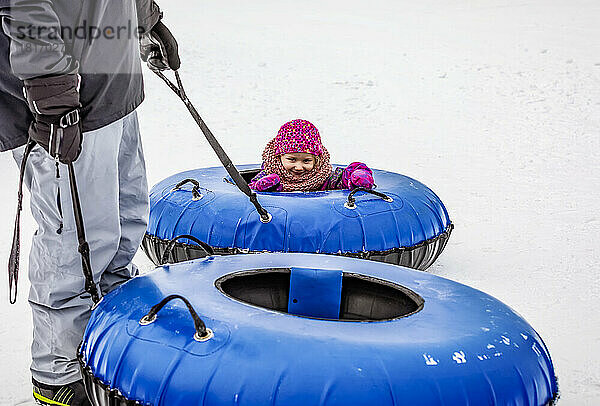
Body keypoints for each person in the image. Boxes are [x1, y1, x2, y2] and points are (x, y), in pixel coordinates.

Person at [0, 0, 179, 404]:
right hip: (64, 98)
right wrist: (50, 87)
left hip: (114, 83)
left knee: (125, 221)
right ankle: (59, 371)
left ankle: (111, 339)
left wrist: (146, 20)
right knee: (75, 241)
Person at [249, 119, 375, 192]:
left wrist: (356, 177)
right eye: (292, 159)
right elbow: (249, 189)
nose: (298, 167)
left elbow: (341, 178)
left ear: (316, 160)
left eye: (306, 161)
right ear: (279, 157)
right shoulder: (269, 172)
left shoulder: (322, 176)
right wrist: (261, 187)